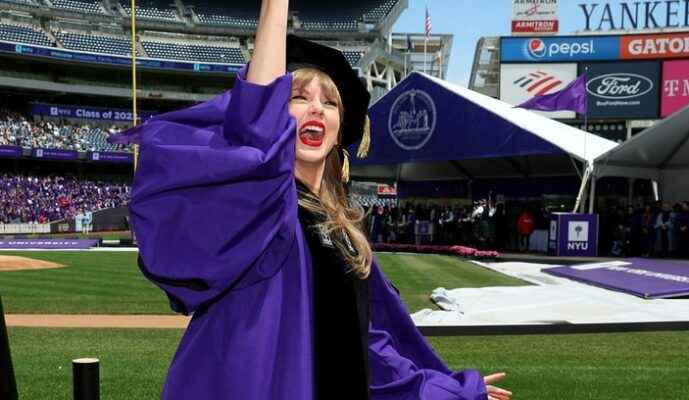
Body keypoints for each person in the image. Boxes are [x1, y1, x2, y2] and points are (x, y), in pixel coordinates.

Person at [109, 1, 510, 399]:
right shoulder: (260, 208)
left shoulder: (346, 234)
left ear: (340, 129)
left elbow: (370, 350)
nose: (317, 107)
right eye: (298, 97)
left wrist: (449, 391)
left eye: (330, 102)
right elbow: (257, 140)